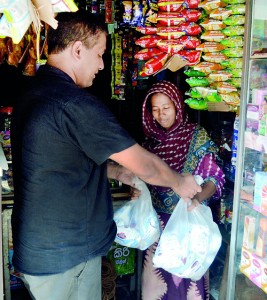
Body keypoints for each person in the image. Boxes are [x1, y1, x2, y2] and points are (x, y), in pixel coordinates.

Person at [10, 11, 202, 300]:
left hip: (41, 250)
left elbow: (58, 160)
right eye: (99, 54)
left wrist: (116, 172)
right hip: (67, 255)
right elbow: (145, 164)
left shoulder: (33, 94)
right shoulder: (74, 104)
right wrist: (179, 181)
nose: (101, 65)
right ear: (77, 50)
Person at [141, 80, 225, 300]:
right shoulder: (149, 144)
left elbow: (214, 177)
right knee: (156, 283)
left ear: (178, 106)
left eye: (166, 108)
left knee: (189, 285)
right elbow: (144, 179)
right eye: (155, 109)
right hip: (158, 227)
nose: (161, 115)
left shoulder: (196, 136)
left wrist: (197, 199)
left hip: (190, 225)